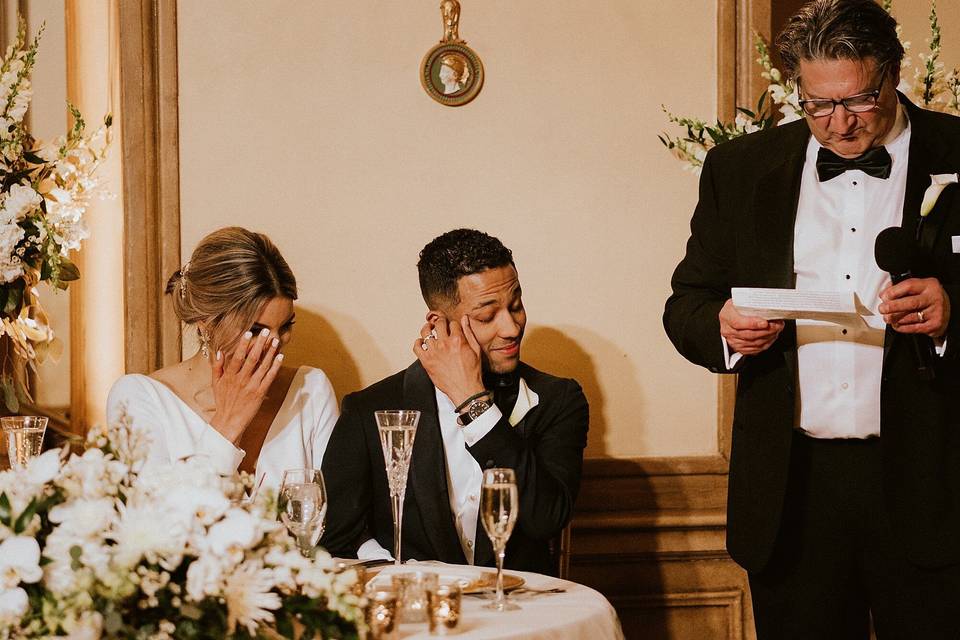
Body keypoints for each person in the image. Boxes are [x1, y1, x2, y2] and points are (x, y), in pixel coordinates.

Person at [664, 1, 960, 637]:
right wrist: (722, 324)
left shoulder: (957, 151)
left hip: (934, 484)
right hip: (791, 492)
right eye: (817, 104)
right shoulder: (740, 169)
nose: (838, 124)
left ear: (895, 73)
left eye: (857, 100)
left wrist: (951, 313)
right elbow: (685, 301)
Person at [321, 228, 588, 575]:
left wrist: (472, 401)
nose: (511, 327)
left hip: (521, 612)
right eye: (486, 316)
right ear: (439, 323)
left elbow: (546, 519)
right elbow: (334, 538)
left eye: (516, 305)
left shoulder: (557, 399)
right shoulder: (369, 411)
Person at [107, 227, 338, 490]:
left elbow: (333, 518)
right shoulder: (139, 398)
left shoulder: (310, 391)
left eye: (285, 327)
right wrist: (228, 423)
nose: (275, 344)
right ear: (206, 324)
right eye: (256, 330)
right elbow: (158, 523)